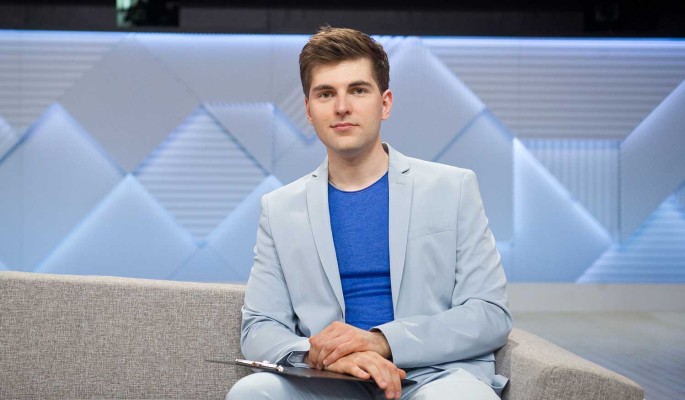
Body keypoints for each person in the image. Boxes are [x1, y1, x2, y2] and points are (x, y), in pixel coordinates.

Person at [226, 26, 512, 400]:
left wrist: (381, 342)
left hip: (435, 376)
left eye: (358, 90)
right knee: (252, 393)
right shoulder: (279, 208)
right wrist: (324, 354)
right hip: (330, 381)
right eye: (326, 94)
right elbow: (259, 327)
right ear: (309, 111)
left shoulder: (452, 187)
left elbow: (489, 313)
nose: (342, 107)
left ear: (385, 103)